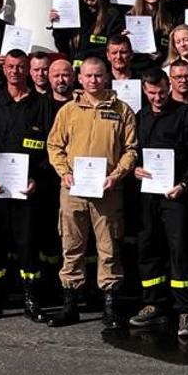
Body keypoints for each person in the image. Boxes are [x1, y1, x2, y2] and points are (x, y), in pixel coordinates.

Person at [45, 59, 140, 328]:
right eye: (88, 76)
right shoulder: (68, 111)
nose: (93, 81)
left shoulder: (122, 111)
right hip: (72, 190)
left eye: (98, 76)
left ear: (106, 77)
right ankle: (70, 304)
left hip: (107, 191)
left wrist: (116, 176)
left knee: (109, 247)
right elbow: (54, 145)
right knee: (71, 247)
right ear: (80, 78)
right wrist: (64, 171)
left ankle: (110, 306)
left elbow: (131, 150)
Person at [0, 46, 62, 322]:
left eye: (21, 67)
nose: (15, 72)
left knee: (28, 243)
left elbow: (52, 148)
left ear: (29, 70)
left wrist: (38, 176)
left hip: (29, 190)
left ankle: (31, 299)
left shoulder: (44, 106)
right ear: (3, 69)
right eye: (10, 67)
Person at [128, 69, 188, 335]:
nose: (158, 97)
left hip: (177, 196)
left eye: (162, 91)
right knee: (148, 246)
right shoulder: (141, 117)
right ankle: (153, 304)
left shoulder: (185, 114)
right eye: (151, 93)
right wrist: (135, 169)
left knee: (180, 250)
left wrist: (184, 184)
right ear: (144, 91)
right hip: (148, 195)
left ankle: (186, 311)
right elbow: (132, 152)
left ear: (168, 86)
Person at [52, 0, 124, 62]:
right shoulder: (75, 14)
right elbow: (62, 45)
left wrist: (86, 55)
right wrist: (58, 25)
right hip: (77, 68)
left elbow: (112, 47)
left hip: (101, 67)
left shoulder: (111, 14)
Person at [128, 0, 180, 67]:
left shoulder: (170, 15)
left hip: (163, 65)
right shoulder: (130, 16)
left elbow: (173, 44)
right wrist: (125, 38)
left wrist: (162, 54)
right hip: (138, 66)